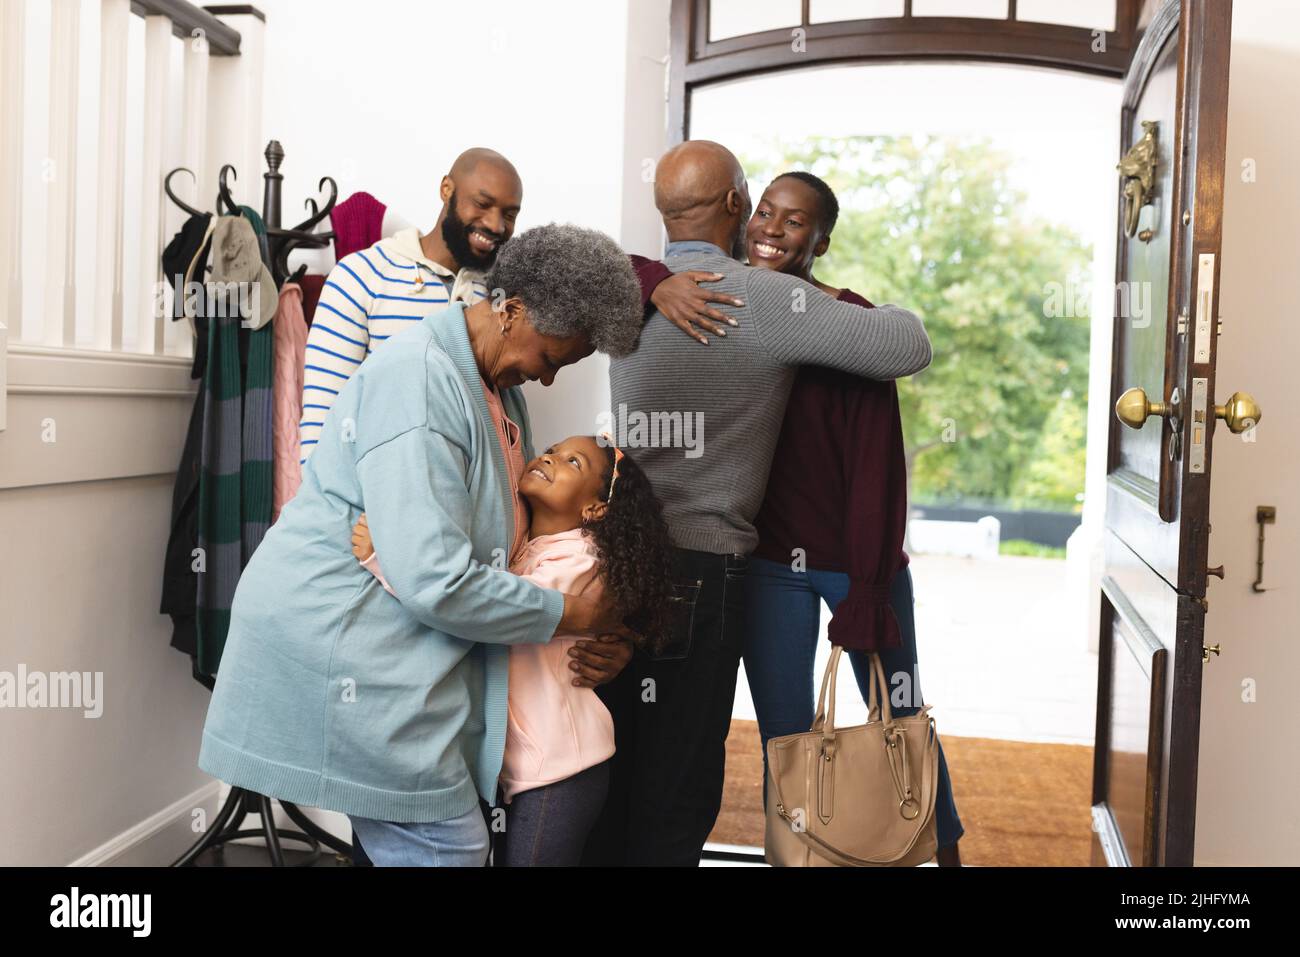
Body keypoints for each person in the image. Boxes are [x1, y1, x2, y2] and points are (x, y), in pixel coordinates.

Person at [198, 224, 645, 867]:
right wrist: (573, 615)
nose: (548, 380)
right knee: (447, 847)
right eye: (553, 358)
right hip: (338, 641)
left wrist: (599, 628)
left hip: (398, 645)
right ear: (511, 311)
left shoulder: (500, 391)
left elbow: (506, 546)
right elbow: (438, 581)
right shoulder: (419, 381)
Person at [590, 140, 932, 866]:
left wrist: (651, 278)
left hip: (613, 561)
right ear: (738, 203)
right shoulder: (767, 300)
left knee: (614, 754)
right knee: (680, 779)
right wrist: (838, 300)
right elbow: (907, 345)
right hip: (703, 567)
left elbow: (567, 271)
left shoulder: (621, 291)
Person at [352, 433, 675, 866]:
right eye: (553, 451)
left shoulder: (582, 560)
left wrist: (385, 561)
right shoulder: (527, 547)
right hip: (518, 767)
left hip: (562, 769)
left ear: (595, 508)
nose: (551, 458)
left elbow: (490, 610)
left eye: (573, 463)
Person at [300, 147, 521, 463]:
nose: (496, 225)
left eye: (509, 215)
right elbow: (323, 420)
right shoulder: (361, 276)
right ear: (446, 189)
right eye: (482, 204)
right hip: (375, 489)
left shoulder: (501, 297)